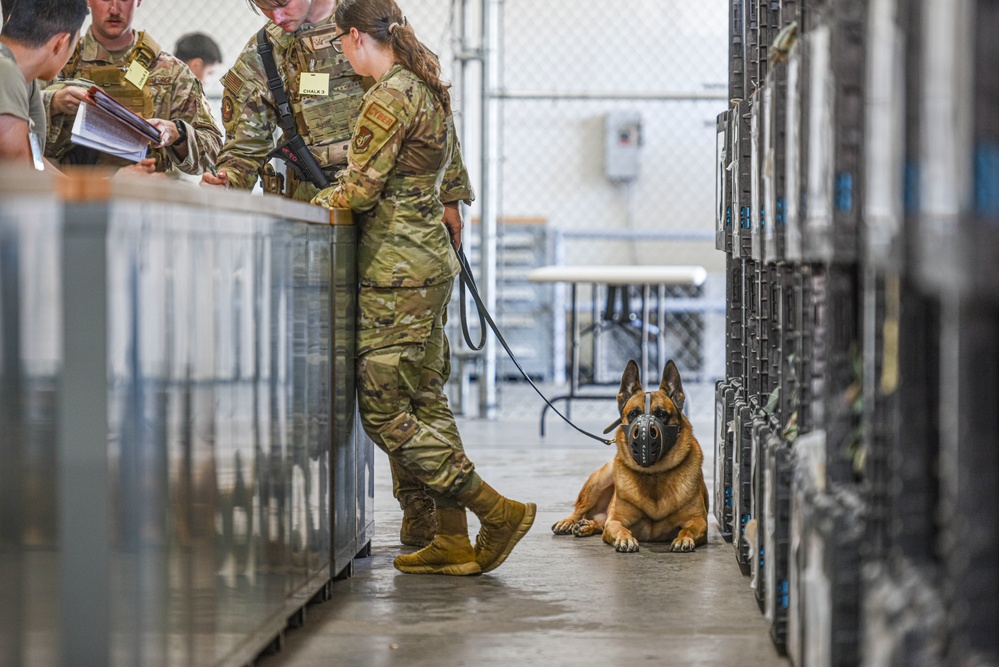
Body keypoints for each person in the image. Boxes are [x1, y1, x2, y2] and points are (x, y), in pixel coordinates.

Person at [201, 0, 439, 549]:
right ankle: (311, 516)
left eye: (280, 2)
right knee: (313, 381)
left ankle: (426, 508)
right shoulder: (260, 59)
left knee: (406, 375)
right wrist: (225, 181)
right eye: (260, 5)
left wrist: (449, 196)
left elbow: (428, 99)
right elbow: (244, 152)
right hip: (316, 238)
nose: (273, 13)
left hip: (395, 235)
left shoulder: (371, 23)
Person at [311, 0, 536, 576]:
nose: (340, 51)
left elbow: (357, 192)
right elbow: (448, 174)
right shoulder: (425, 84)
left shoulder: (388, 95)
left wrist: (313, 205)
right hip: (425, 266)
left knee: (385, 413)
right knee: (424, 401)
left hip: (397, 273)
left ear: (356, 36)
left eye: (341, 41)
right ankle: (452, 538)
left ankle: (496, 510)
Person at [42, 0, 221, 175]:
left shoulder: (172, 73)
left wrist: (176, 133)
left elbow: (213, 154)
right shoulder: (60, 60)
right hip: (77, 196)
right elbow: (22, 130)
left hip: (145, 197)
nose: (114, 8)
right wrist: (55, 102)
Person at [0, 0, 86, 167]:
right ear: (61, 43)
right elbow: (19, 166)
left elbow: (34, 161)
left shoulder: (22, 77)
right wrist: (110, 187)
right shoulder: (6, 71)